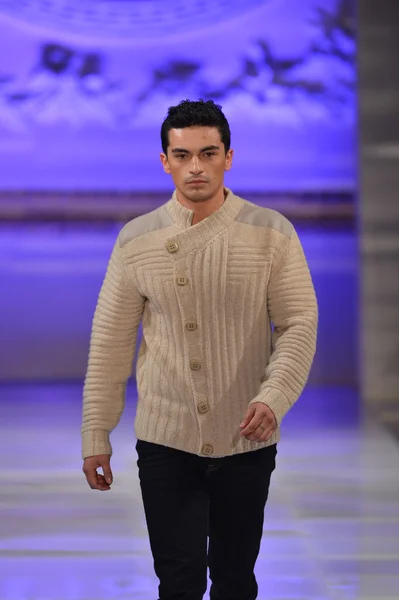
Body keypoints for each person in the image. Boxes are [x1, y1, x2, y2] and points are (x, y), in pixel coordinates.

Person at [81, 99, 318, 600]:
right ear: (164, 160)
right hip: (166, 438)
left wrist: (274, 398)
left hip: (247, 435)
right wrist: (95, 431)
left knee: (234, 580)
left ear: (229, 157)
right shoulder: (136, 240)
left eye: (208, 153)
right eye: (182, 154)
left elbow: (298, 323)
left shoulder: (270, 232)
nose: (195, 167)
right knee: (179, 581)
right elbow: (111, 340)